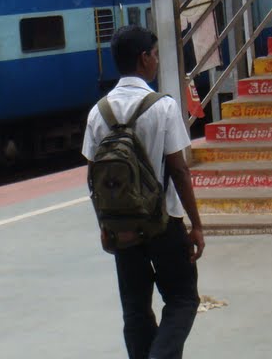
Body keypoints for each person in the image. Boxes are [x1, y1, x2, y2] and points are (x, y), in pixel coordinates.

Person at [82, 25, 206, 359]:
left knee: (135, 309)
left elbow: (93, 178)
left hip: (122, 227)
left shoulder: (98, 113)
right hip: (163, 221)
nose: (156, 61)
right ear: (143, 59)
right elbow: (178, 170)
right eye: (154, 54)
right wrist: (196, 224)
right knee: (182, 298)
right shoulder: (162, 106)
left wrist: (105, 226)